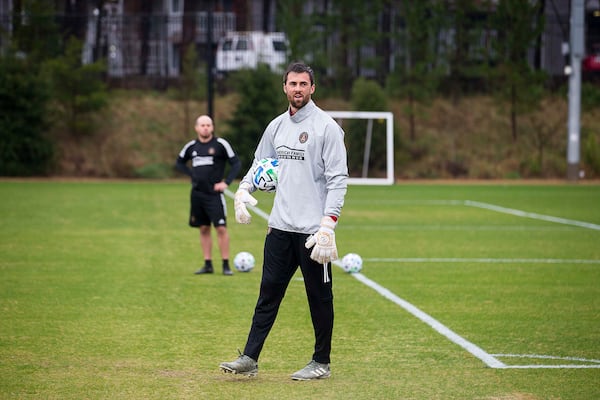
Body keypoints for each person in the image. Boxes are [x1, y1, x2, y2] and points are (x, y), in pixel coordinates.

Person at [219, 62, 348, 380]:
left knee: (319, 297)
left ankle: (321, 362)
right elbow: (260, 163)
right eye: (293, 84)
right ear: (285, 87)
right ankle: (249, 358)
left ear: (313, 88)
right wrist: (244, 189)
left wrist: (328, 225)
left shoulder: (327, 128)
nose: (298, 89)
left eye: (304, 84)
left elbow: (338, 179)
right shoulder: (276, 126)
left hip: (312, 233)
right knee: (268, 294)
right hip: (279, 227)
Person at [175, 115, 241, 276]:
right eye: (202, 125)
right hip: (197, 194)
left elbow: (236, 163)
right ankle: (207, 264)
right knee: (203, 228)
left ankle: (225, 265)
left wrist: (226, 182)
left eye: (208, 125)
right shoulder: (191, 146)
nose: (205, 128)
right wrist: (192, 175)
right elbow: (179, 162)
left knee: (221, 228)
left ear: (212, 127)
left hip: (214, 195)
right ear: (196, 128)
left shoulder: (220, 144)